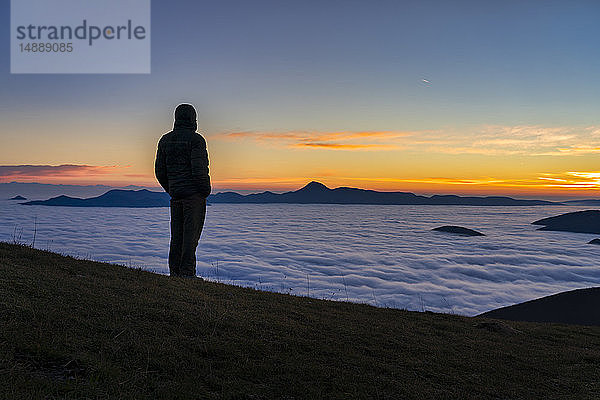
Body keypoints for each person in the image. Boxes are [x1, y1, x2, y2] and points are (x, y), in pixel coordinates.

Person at [154, 103, 211, 278]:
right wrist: (204, 190)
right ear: (192, 119)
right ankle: (187, 273)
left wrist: (172, 188)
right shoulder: (196, 140)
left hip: (176, 195)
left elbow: (160, 171)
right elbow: (199, 170)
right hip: (193, 196)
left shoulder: (165, 140)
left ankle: (175, 272)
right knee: (190, 237)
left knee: (177, 236)